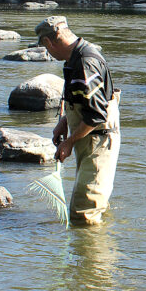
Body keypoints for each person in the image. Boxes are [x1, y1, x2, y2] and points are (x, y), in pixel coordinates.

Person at [35, 16, 121, 226]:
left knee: (84, 215)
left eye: (46, 48)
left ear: (48, 42)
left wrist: (69, 142)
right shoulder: (76, 56)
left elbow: (96, 114)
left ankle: (92, 254)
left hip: (99, 140)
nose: (48, 53)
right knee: (92, 202)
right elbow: (83, 101)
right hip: (90, 138)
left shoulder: (84, 63)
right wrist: (64, 122)